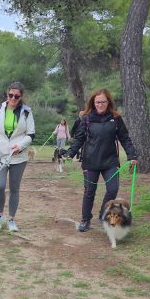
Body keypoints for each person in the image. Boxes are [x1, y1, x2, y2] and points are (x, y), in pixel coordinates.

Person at [61, 88, 138, 232]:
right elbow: (79, 139)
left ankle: (103, 214)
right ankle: (85, 220)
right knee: (90, 191)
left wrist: (132, 156)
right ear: (93, 103)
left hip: (110, 162)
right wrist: (70, 153)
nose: (100, 104)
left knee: (113, 189)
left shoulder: (115, 118)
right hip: (90, 162)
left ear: (108, 102)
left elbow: (125, 138)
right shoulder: (87, 118)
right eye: (97, 102)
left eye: (103, 101)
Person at [0, 81, 36, 233]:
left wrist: (21, 145)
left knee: (14, 188)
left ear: (21, 96)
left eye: (17, 96)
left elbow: (31, 134)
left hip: (18, 156)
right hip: (0, 154)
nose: (13, 98)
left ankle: (11, 219)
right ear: (7, 94)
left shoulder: (26, 112)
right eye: (10, 95)